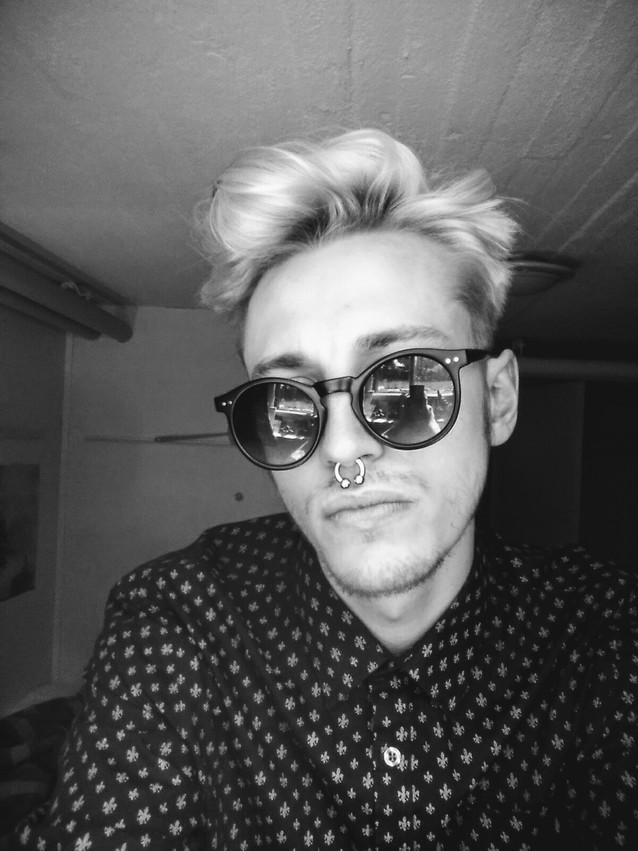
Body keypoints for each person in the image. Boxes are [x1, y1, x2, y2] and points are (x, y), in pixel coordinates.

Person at [8, 130, 637, 850]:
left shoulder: (606, 641)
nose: (341, 450)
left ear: (496, 400)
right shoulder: (179, 622)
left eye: (405, 383)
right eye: (288, 402)